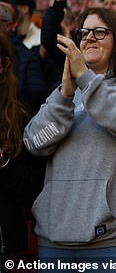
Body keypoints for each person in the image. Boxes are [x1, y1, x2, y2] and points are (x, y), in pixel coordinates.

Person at [23, 7, 116, 267]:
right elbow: (35, 142)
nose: (88, 38)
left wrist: (87, 80)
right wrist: (64, 97)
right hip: (55, 241)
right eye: (84, 32)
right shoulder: (64, 93)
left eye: (100, 32)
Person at [0, 33, 44, 272]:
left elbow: (34, 188)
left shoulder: (18, 118)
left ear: (4, 64)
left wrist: (3, 163)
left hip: (4, 247)